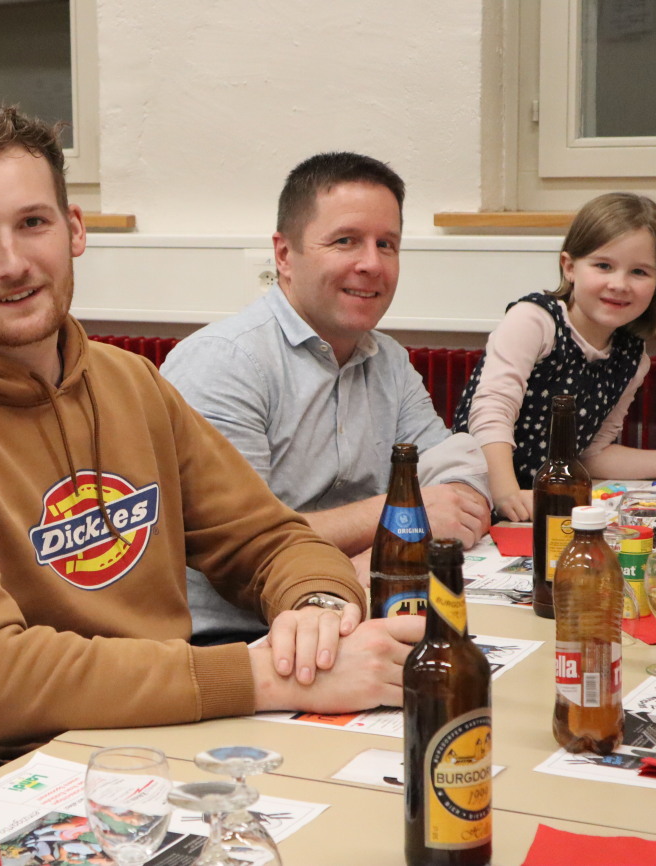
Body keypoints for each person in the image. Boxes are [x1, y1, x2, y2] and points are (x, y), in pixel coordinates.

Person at [0, 104, 423, 766]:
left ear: (74, 229)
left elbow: (270, 539)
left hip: (182, 733)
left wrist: (318, 608)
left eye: (33, 223)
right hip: (33, 770)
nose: (12, 263)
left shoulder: (130, 383)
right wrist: (258, 676)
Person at [160, 152, 492, 644]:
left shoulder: (388, 360)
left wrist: (364, 567)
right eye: (345, 241)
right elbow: (242, 544)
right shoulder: (224, 362)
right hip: (239, 639)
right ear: (284, 255)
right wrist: (397, 521)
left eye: (387, 244)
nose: (372, 264)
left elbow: (459, 474)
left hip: (356, 614)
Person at [450, 192, 656, 521]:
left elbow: (592, 455)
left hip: (539, 508)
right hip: (472, 493)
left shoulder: (633, 359)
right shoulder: (534, 320)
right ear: (569, 267)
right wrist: (506, 494)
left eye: (639, 272)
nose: (619, 284)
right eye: (603, 266)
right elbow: (491, 412)